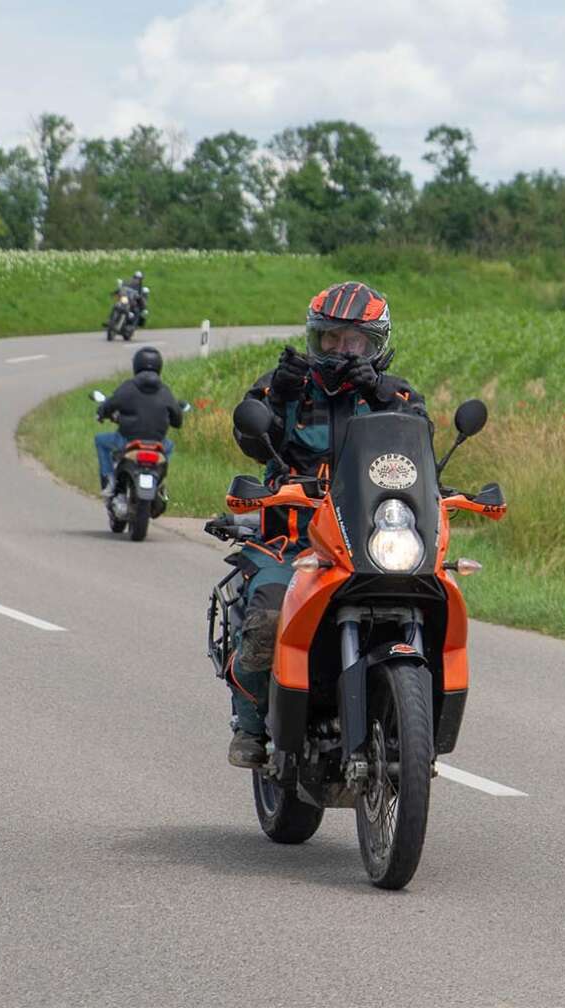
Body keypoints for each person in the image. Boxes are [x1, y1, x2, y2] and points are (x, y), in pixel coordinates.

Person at [223, 281, 430, 768]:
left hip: (371, 539)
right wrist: (278, 395)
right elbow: (249, 437)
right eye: (330, 339)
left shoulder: (393, 392)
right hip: (294, 543)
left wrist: (382, 396)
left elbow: (423, 447)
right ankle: (251, 724)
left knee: (434, 589)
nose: (340, 349)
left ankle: (415, 715)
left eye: (353, 340)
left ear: (373, 344)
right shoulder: (286, 386)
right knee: (269, 612)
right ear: (315, 338)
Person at [94, 346, 182, 497]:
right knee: (170, 446)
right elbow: (177, 420)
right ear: (159, 366)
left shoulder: (128, 387)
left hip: (128, 441)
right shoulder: (165, 391)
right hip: (158, 444)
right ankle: (160, 483)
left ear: (136, 365)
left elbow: (109, 405)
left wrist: (101, 413)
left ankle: (109, 480)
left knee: (100, 440)